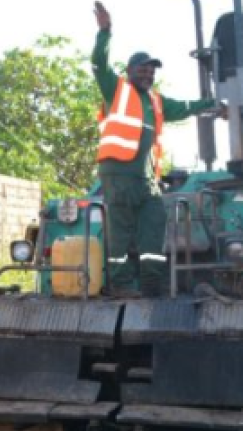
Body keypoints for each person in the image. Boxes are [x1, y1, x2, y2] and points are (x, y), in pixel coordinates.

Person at [91, 0, 223, 298]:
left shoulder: (156, 102)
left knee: (154, 226)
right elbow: (98, 63)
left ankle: (152, 284)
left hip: (146, 179)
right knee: (120, 232)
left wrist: (213, 105)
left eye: (152, 70)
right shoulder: (117, 89)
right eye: (143, 69)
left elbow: (186, 106)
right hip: (119, 175)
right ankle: (122, 285)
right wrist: (105, 32)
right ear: (130, 70)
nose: (148, 74)